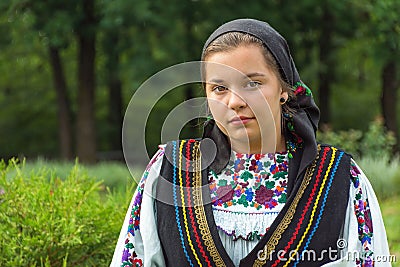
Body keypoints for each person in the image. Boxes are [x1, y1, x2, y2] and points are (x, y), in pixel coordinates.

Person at [111, 19, 390, 267]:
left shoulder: (339, 178)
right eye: (219, 88)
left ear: (283, 89)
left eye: (252, 83)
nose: (234, 102)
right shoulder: (171, 169)